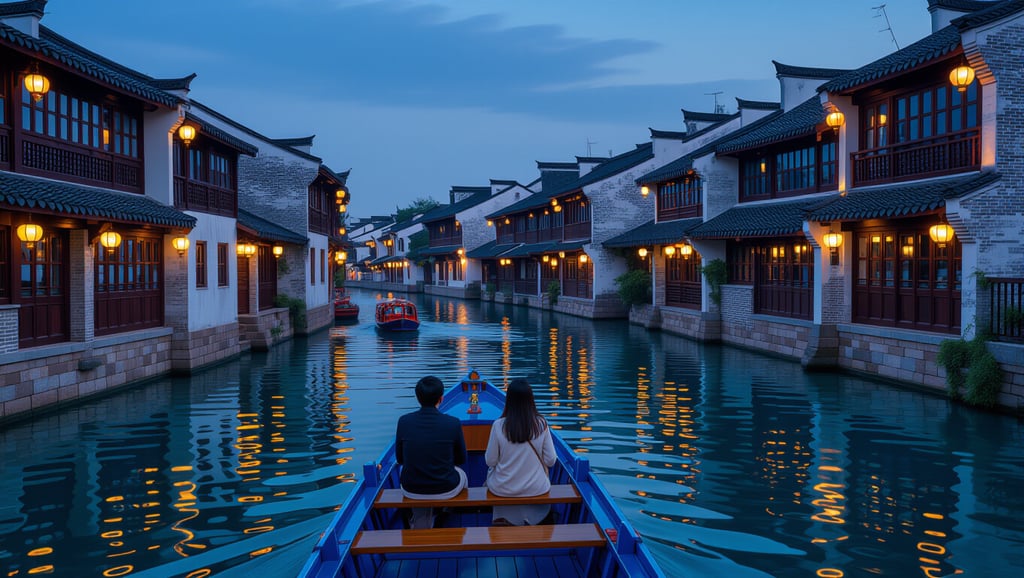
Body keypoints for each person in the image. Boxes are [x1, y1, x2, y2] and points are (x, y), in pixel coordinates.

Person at [395, 375, 468, 529]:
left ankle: (417, 519)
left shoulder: (403, 421)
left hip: (411, 489)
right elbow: (461, 459)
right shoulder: (453, 423)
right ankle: (445, 513)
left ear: (417, 398)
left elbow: (400, 459)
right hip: (446, 488)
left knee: (409, 470)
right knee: (463, 475)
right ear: (441, 399)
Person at [484, 378, 557, 526]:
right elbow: (551, 460)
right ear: (531, 400)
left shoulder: (499, 425)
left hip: (503, 489)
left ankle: (502, 519)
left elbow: (490, 461)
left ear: (509, 400)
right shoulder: (541, 424)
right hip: (537, 488)